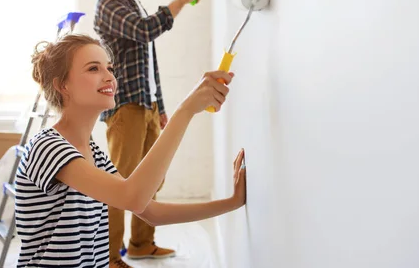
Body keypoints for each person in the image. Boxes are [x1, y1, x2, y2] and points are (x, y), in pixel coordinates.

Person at [14, 34, 246, 268]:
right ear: (62, 85)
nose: (109, 77)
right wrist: (185, 110)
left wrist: (233, 202)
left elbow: (151, 212)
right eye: (94, 69)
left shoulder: (93, 154)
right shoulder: (47, 147)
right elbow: (132, 197)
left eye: (109, 68)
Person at [91, 0, 210, 264]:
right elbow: (145, 31)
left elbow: (148, 61)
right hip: (126, 108)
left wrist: (160, 106)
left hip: (145, 106)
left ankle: (141, 244)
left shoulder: (131, 3)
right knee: (121, 187)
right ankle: (110, 259)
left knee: (152, 180)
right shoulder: (110, 3)